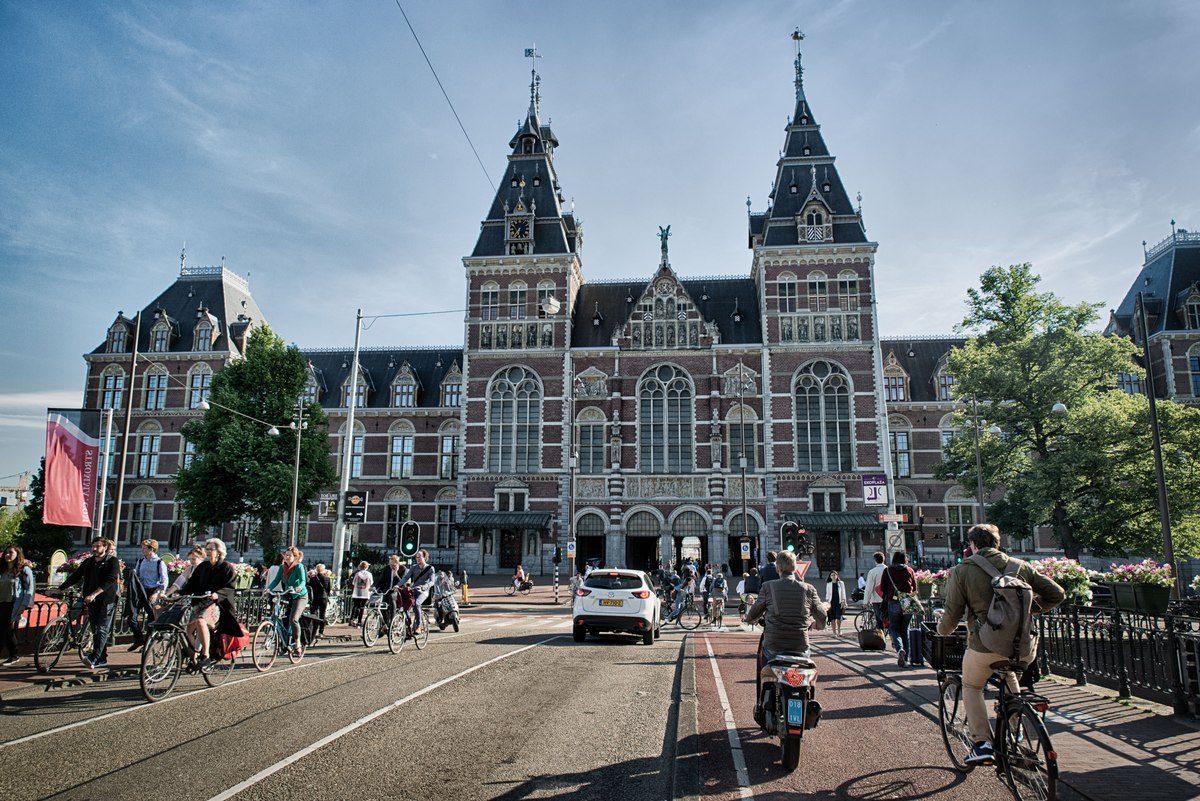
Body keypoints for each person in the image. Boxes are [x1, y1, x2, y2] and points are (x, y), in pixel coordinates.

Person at [937, 524, 1065, 767]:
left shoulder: (963, 570)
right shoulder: (1020, 566)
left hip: (984, 644)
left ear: (973, 545)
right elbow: (1057, 594)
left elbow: (952, 614)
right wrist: (1026, 612)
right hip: (1022, 648)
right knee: (1009, 676)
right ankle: (1015, 734)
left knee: (972, 685)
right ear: (998, 543)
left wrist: (942, 632)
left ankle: (982, 744)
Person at [744, 551, 827, 709]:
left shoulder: (768, 587)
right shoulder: (808, 589)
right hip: (800, 646)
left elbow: (754, 612)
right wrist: (818, 626)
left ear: (778, 568)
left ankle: (763, 703)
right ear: (795, 568)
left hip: (774, 645)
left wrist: (749, 619)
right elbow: (821, 616)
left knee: (765, 669)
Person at [176, 539, 240, 667]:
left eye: (211, 549)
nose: (208, 551)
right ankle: (195, 653)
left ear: (219, 552)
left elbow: (230, 586)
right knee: (186, 628)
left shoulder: (226, 567)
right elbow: (191, 584)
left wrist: (217, 594)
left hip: (218, 606)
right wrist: (179, 594)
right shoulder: (202, 567)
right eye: (207, 549)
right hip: (200, 603)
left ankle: (206, 655)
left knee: (200, 620)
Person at [58, 537, 120, 669]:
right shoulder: (89, 562)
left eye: (98, 546)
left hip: (105, 601)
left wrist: (94, 594)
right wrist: (59, 589)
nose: (95, 549)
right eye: (93, 546)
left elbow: (110, 580)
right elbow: (76, 576)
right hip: (91, 601)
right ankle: (102, 658)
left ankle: (94, 658)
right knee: (96, 629)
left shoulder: (112, 562)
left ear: (105, 547)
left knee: (102, 628)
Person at [126, 538, 169, 651]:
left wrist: (157, 593)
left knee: (151, 617)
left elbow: (164, 579)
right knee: (131, 615)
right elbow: (137, 576)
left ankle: (148, 643)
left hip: (153, 590)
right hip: (141, 590)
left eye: (144, 548)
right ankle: (139, 638)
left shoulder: (159, 562)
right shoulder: (141, 561)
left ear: (151, 549)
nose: (142, 550)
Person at [265, 547, 308, 652]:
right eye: (286, 555)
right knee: (278, 615)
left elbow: (303, 581)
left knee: (293, 619)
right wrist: (268, 589)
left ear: (295, 557)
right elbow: (276, 580)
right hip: (288, 594)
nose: (287, 557)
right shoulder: (282, 567)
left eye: (290, 555)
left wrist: (300, 587)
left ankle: (297, 641)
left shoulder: (299, 567)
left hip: (299, 595)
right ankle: (283, 641)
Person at [880, 551, 917, 665]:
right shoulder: (910, 570)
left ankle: (900, 649)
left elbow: (882, 587)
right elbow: (915, 587)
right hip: (907, 602)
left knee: (894, 629)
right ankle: (906, 659)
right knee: (905, 629)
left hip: (894, 602)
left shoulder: (887, 571)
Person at [0, 545, 35, 666]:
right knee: (6, 630)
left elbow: (30, 589)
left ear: (17, 555)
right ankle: (13, 654)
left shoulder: (24, 570)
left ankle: (14, 655)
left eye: (10, 553)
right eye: (6, 553)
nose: (7, 555)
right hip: (1, 602)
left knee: (5, 629)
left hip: (13, 603)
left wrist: (24, 605)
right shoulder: (2, 570)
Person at [407, 549, 436, 633]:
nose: (418, 558)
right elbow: (406, 577)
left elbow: (432, 581)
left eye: (419, 557)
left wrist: (426, 586)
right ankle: (407, 625)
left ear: (424, 557)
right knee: (405, 605)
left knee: (417, 603)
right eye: (416, 557)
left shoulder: (430, 568)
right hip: (414, 589)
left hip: (423, 591)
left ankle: (419, 625)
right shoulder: (414, 567)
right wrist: (398, 585)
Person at [377, 555, 407, 626]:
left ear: (397, 564)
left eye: (393, 565)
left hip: (398, 591)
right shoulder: (387, 569)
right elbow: (380, 580)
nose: (391, 567)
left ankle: (392, 619)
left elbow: (403, 583)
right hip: (388, 590)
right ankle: (387, 624)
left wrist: (396, 574)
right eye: (390, 564)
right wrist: (374, 587)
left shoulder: (403, 569)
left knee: (391, 597)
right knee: (382, 606)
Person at [862, 551, 887, 624]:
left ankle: (880, 633)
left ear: (875, 561)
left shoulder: (872, 572)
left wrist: (866, 601)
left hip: (877, 599)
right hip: (888, 598)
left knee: (879, 620)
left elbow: (869, 588)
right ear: (883, 559)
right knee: (888, 618)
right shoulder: (889, 570)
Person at [308, 563, 331, 637]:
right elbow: (328, 589)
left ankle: (312, 630)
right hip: (323, 597)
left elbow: (310, 588)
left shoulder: (313, 579)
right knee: (322, 614)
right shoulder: (327, 579)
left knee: (313, 614)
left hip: (315, 597)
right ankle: (321, 631)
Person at [824, 570, 847, 637]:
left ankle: (839, 630)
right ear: (830, 577)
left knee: (839, 617)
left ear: (837, 576)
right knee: (832, 618)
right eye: (832, 575)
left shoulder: (841, 583)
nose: (833, 576)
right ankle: (834, 632)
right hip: (831, 602)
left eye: (834, 575)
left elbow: (843, 592)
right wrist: (827, 602)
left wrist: (844, 601)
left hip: (839, 602)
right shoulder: (828, 584)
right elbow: (827, 594)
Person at [350, 560, 373, 626]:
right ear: (367, 567)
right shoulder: (369, 574)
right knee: (362, 607)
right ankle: (359, 621)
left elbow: (353, 583)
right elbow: (371, 582)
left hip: (357, 593)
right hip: (365, 593)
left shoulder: (357, 574)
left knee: (356, 605)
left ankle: (353, 619)